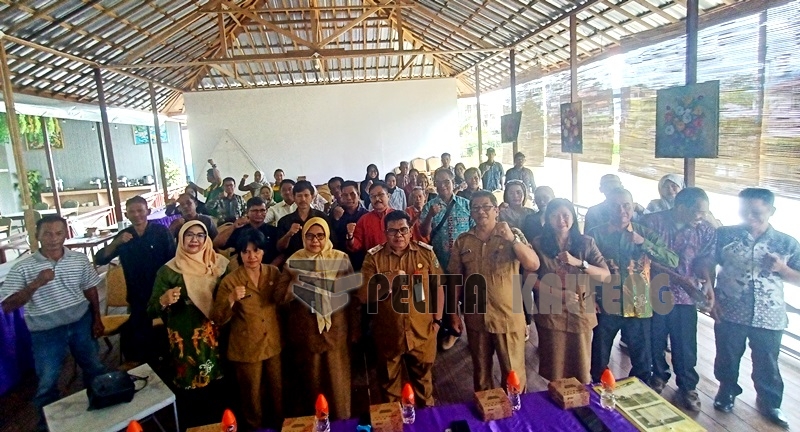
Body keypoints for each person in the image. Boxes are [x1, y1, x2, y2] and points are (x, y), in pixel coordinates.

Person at [1, 215, 106, 429]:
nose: (54, 239)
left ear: (66, 234)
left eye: (59, 233)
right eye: (47, 234)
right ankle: (48, 425)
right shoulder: (23, 267)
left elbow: (90, 289)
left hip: (80, 321)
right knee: (47, 381)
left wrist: (97, 317)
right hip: (46, 331)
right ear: (37, 236)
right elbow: (7, 305)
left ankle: (102, 409)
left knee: (94, 367)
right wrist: (36, 283)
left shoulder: (78, 259)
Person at [712, 188, 800, 428]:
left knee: (767, 361)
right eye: (744, 211)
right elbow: (707, 266)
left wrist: (782, 269)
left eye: (756, 212)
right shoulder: (725, 235)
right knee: (727, 355)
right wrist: (712, 298)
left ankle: (770, 402)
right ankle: (726, 391)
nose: (749, 217)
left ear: (772, 211)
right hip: (729, 309)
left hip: (769, 314)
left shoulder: (786, 243)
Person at [449, 191, 540, 392]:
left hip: (508, 315)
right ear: (471, 212)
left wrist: (512, 239)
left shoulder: (512, 234)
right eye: (476, 208)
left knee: (513, 373)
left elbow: (533, 264)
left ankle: (516, 410)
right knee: (481, 372)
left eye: (486, 207)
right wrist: (453, 312)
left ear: (496, 210)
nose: (481, 211)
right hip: (476, 317)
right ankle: (487, 408)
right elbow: (455, 279)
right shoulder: (463, 241)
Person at [587, 188, 679, 385]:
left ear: (633, 206)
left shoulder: (644, 233)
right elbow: (585, 269)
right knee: (599, 356)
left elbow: (672, 260)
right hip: (606, 304)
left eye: (626, 205)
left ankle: (637, 392)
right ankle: (599, 392)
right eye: (615, 206)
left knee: (642, 359)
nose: (621, 210)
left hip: (638, 304)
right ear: (607, 208)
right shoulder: (596, 234)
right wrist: (590, 298)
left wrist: (643, 243)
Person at [359, 211, 445, 406]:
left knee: (424, 385)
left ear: (410, 231)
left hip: (422, 331)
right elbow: (363, 296)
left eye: (403, 230)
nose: (398, 235)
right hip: (389, 333)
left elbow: (438, 286)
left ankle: (427, 419)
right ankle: (395, 420)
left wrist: (438, 321)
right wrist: (388, 280)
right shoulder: (373, 258)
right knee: (390, 389)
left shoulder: (426, 253)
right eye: (392, 231)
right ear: (385, 233)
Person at [641, 187, 716, 411]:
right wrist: (680, 280)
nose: (701, 216)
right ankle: (658, 376)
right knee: (655, 339)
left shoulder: (705, 229)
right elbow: (645, 259)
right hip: (654, 291)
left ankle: (687, 386)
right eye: (698, 211)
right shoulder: (651, 223)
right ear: (681, 208)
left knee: (685, 343)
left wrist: (707, 282)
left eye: (704, 212)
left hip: (686, 296)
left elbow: (705, 259)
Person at [148, 221, 229, 425]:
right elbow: (151, 309)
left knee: (219, 385)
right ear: (181, 238)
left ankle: (219, 424)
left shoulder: (219, 264)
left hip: (216, 335)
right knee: (191, 388)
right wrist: (164, 300)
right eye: (189, 235)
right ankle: (195, 425)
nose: (195, 239)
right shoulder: (169, 271)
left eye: (200, 235)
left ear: (206, 238)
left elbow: (228, 297)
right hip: (185, 338)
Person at [276, 218, 357, 420]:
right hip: (307, 333)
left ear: (327, 236)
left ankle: (341, 423)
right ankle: (316, 423)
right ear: (303, 237)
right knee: (312, 382)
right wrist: (297, 282)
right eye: (310, 236)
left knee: (338, 383)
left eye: (320, 236)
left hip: (336, 330)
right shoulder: (294, 261)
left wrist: (355, 329)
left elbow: (353, 297)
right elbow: (279, 297)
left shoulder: (340, 258)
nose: (315, 241)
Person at [211, 230, 283, 430]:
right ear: (240, 254)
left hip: (273, 343)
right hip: (246, 347)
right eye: (246, 252)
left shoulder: (273, 273)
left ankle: (280, 425)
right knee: (251, 394)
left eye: (256, 251)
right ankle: (255, 427)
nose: (252, 256)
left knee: (277, 390)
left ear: (263, 252)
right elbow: (218, 318)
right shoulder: (230, 281)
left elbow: (282, 302)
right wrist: (231, 299)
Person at [531, 199, 609, 383]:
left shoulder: (586, 242)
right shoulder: (539, 243)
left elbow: (605, 275)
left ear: (573, 217)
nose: (561, 220)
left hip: (580, 310)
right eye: (555, 216)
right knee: (555, 367)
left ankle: (581, 398)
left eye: (565, 215)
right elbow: (530, 279)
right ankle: (557, 397)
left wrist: (579, 263)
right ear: (548, 219)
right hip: (551, 311)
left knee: (581, 366)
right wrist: (558, 294)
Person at [94, 196, 176, 363]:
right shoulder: (124, 236)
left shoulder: (161, 232)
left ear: (148, 211)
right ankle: (143, 368)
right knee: (138, 341)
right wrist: (116, 242)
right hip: (137, 296)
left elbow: (173, 260)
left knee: (166, 336)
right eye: (132, 211)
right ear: (126, 215)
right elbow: (100, 259)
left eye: (140, 210)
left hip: (161, 292)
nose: (136, 214)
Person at [419, 169, 472, 350]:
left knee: (469, 296)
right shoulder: (429, 206)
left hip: (466, 260)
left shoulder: (465, 204)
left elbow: (474, 229)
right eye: (439, 182)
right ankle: (453, 331)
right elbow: (423, 232)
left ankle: (473, 331)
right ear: (434, 184)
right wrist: (430, 216)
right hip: (441, 260)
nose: (443, 186)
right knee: (449, 296)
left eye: (446, 181)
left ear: (453, 182)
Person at [214, 197, 281, 266]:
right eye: (255, 211)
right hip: (243, 269)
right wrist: (233, 226)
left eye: (262, 210)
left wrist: (270, 268)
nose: (259, 214)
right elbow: (217, 243)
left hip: (267, 268)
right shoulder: (239, 229)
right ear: (247, 212)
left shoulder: (273, 231)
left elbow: (282, 253)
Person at [277, 180, 334, 257]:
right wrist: (289, 234)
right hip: (294, 260)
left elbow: (332, 242)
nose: (303, 199)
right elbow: (280, 248)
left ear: (312, 197)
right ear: (294, 197)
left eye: (306, 195)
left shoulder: (322, 217)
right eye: (299, 196)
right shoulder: (285, 221)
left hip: (319, 259)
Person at [331, 180, 369, 270]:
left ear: (358, 194)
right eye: (345, 195)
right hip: (343, 261)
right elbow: (333, 238)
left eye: (352, 194)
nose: (349, 198)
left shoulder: (366, 215)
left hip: (364, 260)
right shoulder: (336, 213)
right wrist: (336, 220)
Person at [348, 182, 393, 254]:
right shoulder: (364, 220)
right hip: (373, 259)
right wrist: (350, 236)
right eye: (373, 196)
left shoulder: (398, 216)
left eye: (380, 195)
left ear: (388, 196)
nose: (377, 199)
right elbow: (356, 245)